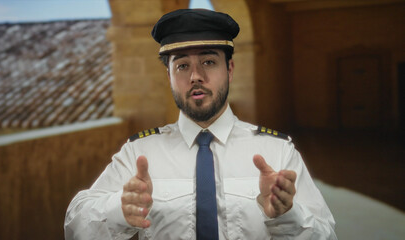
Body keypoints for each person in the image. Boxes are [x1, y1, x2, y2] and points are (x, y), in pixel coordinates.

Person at [64, 9, 337, 240]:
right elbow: (75, 226)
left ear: (229, 69)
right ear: (168, 75)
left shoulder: (277, 151)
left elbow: (326, 234)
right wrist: (119, 209)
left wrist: (288, 214)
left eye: (208, 61)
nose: (196, 76)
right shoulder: (139, 153)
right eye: (182, 66)